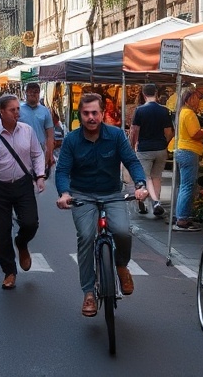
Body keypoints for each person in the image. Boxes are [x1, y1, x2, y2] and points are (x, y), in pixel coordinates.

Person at [55, 92, 148, 317]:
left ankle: (121, 265)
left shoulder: (116, 136)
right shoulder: (71, 140)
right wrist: (64, 193)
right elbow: (62, 170)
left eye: (95, 112)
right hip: (82, 195)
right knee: (86, 236)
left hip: (112, 194)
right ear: (80, 115)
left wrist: (140, 184)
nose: (91, 117)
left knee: (123, 232)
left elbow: (132, 161)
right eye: (86, 113)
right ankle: (88, 292)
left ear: (102, 114)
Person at [0, 94, 46, 290]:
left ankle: (22, 242)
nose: (17, 112)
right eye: (12, 109)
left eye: (18, 109)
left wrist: (40, 176)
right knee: (3, 228)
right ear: (1, 111)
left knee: (30, 222)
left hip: (23, 184)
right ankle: (9, 272)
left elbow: (37, 154)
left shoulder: (27, 131)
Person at [127, 84, 174, 218]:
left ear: (143, 94)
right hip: (160, 149)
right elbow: (169, 132)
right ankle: (156, 203)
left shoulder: (140, 110)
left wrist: (133, 145)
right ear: (156, 93)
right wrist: (164, 143)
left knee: (144, 177)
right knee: (156, 177)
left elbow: (134, 130)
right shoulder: (164, 110)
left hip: (145, 149)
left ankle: (146, 203)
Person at [172, 89, 203, 232]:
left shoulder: (181, 112)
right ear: (188, 99)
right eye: (195, 98)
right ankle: (182, 219)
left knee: (183, 186)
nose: (198, 101)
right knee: (187, 186)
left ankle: (181, 216)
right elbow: (195, 134)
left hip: (182, 150)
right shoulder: (189, 113)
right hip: (189, 151)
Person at [20, 83, 54, 180]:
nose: (33, 94)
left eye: (36, 92)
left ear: (39, 94)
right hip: (23, 150)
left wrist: (49, 155)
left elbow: (50, 135)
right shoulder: (19, 110)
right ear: (26, 93)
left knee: (39, 180)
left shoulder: (45, 111)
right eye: (30, 92)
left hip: (40, 150)